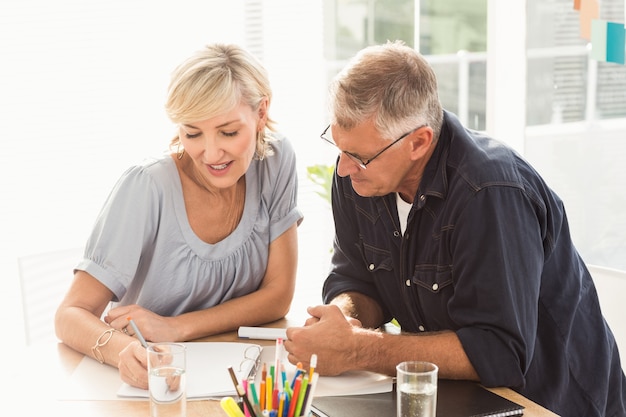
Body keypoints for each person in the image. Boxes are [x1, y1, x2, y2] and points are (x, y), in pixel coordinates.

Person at [283, 40, 626, 417]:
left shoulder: (489, 193)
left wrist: (358, 349)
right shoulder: (361, 177)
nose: (344, 169)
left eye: (360, 157)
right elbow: (358, 280)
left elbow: (499, 352)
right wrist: (340, 318)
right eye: (339, 147)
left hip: (548, 402)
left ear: (418, 142)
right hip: (455, 398)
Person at [55, 43, 303, 390]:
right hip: (158, 382)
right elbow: (69, 315)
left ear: (262, 112)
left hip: (243, 379)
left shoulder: (275, 159)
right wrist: (123, 351)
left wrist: (178, 327)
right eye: (192, 133)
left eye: (229, 132)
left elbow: (278, 294)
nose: (212, 153)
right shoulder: (147, 186)